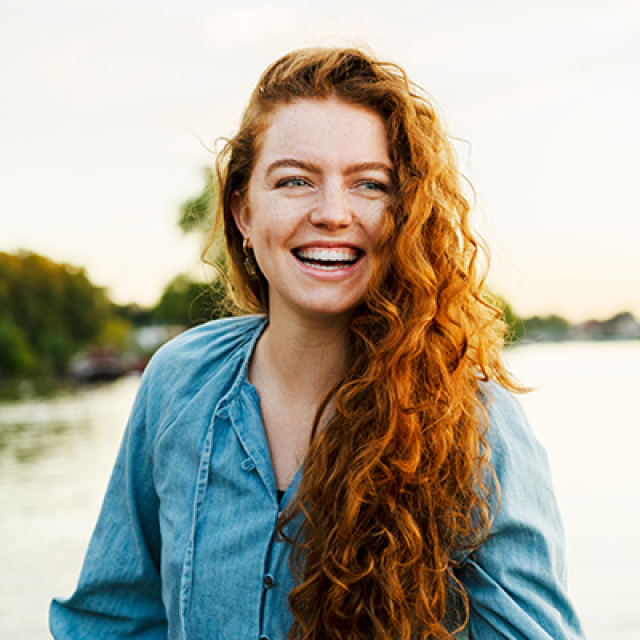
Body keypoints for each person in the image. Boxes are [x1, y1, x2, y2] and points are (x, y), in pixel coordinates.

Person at [50, 46, 585, 639]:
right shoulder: (179, 382)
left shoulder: (478, 426)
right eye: (295, 180)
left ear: (405, 214)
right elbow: (112, 621)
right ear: (243, 213)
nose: (333, 212)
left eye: (370, 185)